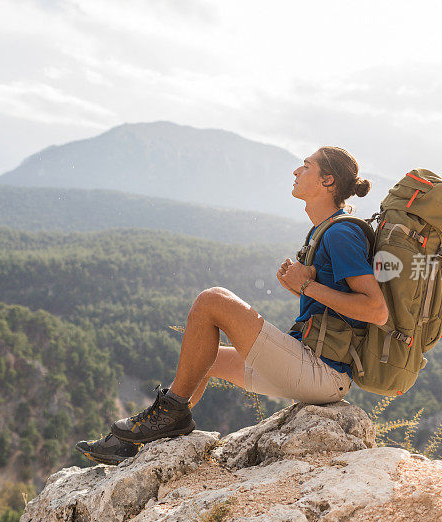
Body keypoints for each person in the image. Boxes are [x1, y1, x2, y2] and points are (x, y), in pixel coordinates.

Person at [76, 146, 388, 465]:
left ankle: (168, 416)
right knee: (203, 360)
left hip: (323, 372)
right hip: (310, 364)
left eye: (306, 166)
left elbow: (375, 310)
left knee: (212, 300)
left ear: (328, 181)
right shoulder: (325, 230)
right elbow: (336, 312)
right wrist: (303, 289)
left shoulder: (342, 233)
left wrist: (306, 285)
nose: (296, 171)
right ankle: (137, 443)